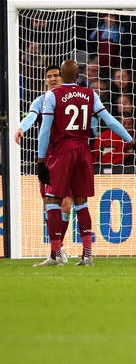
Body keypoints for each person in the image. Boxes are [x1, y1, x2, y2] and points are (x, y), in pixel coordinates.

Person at [36, 60, 136, 267]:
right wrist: (133, 142)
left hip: (62, 152)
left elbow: (45, 130)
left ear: (61, 75)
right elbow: (111, 121)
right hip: (84, 151)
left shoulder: (53, 95)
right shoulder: (90, 94)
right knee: (82, 202)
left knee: (53, 200)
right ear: (79, 76)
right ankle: (87, 255)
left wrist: (41, 160)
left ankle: (55, 254)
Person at [16, 65, 73, 265]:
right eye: (49, 76)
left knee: (66, 203)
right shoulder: (40, 101)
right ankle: (58, 250)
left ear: (63, 78)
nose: (52, 79)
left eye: (56, 75)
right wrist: (21, 128)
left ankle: (57, 250)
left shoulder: (72, 100)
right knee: (50, 204)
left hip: (68, 155)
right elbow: (31, 116)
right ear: (45, 80)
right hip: (47, 157)